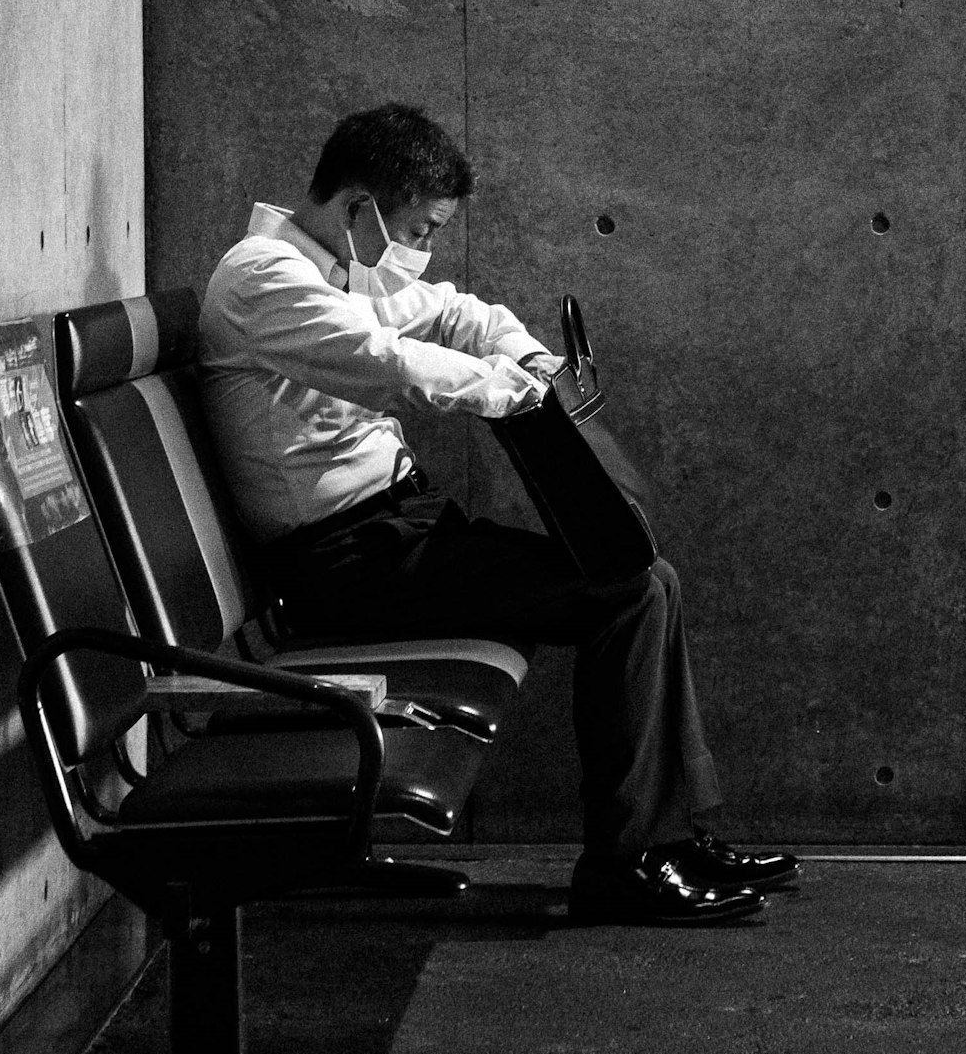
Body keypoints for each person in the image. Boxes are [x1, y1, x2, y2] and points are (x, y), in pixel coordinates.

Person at [199, 103, 793, 927]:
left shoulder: (338, 268)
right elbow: (387, 363)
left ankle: (671, 839)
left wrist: (528, 358)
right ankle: (633, 860)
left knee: (640, 574)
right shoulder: (263, 278)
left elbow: (450, 312)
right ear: (358, 206)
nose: (424, 250)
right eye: (419, 228)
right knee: (630, 588)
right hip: (343, 564)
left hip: (395, 536)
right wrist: (512, 395)